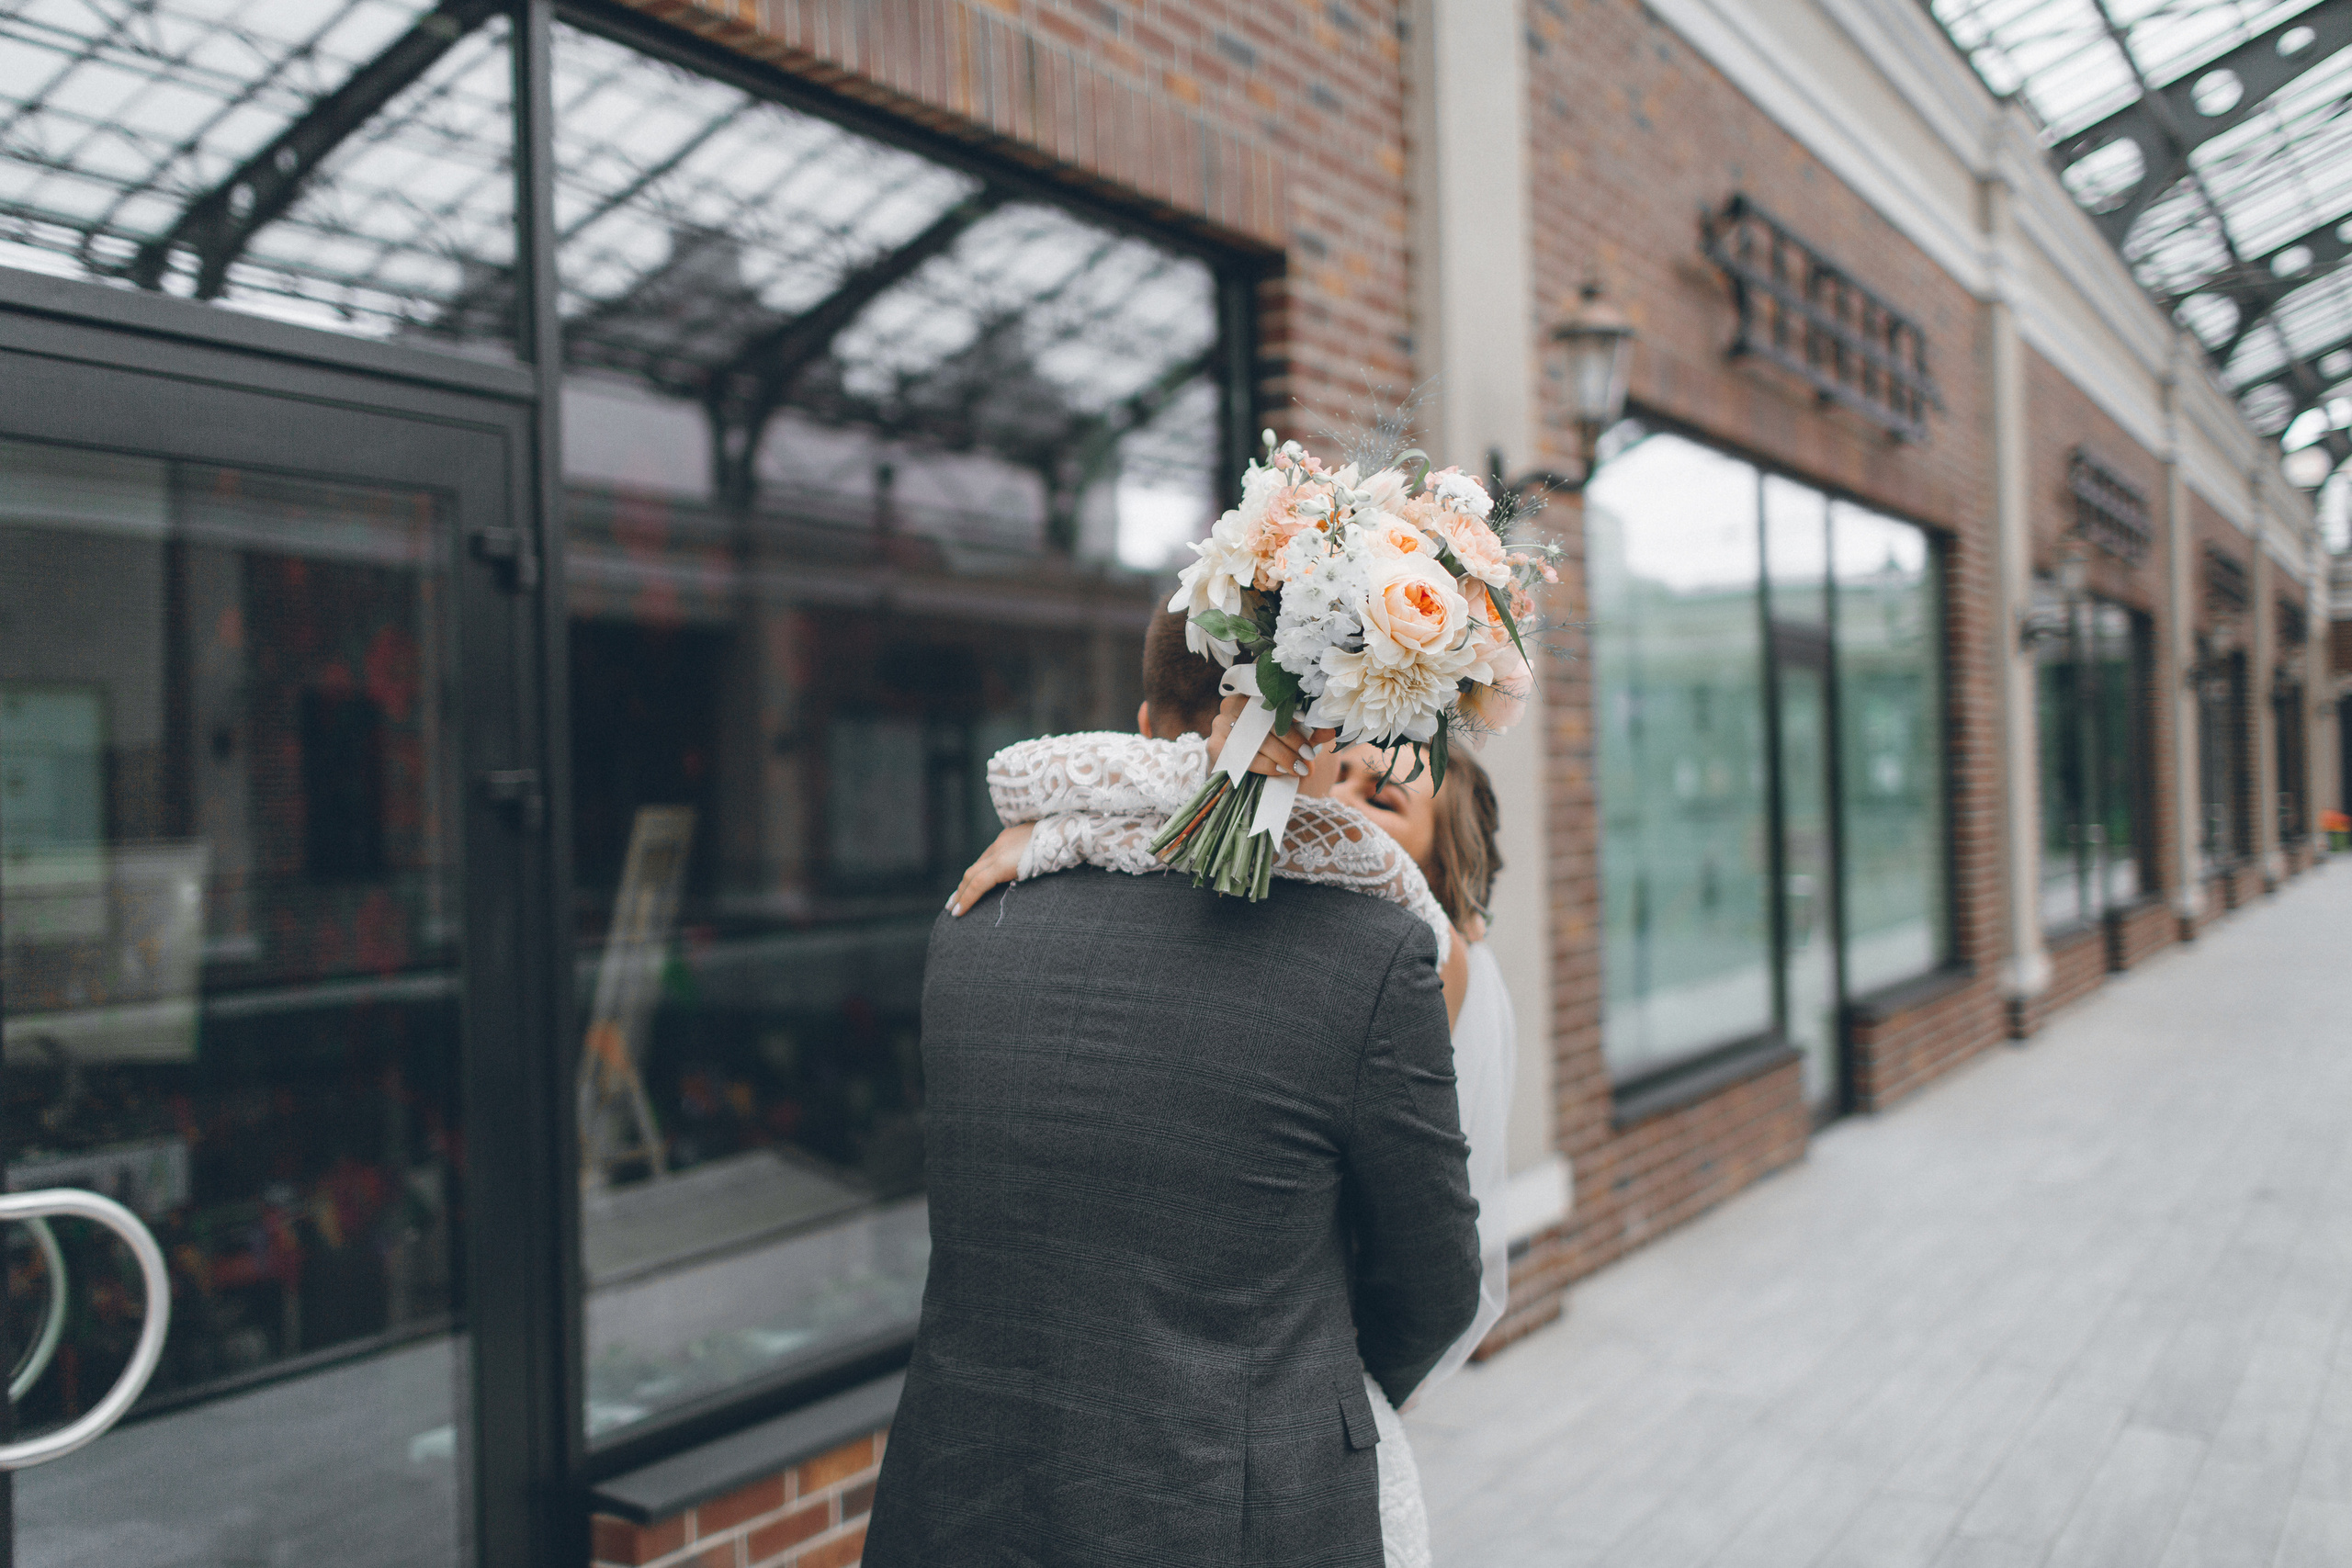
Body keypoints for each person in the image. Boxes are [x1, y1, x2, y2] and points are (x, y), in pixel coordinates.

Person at [863, 616, 1485, 1566]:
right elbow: (1434, 1288)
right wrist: (1300, 1398)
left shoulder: (972, 916)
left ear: (1150, 725)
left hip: (963, 1498)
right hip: (1220, 1513)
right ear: (1311, 736)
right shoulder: (1372, 953)